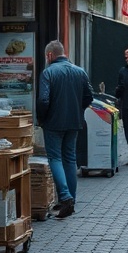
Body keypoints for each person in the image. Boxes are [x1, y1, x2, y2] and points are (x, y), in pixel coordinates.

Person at [36, 40, 92, 219]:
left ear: (50, 55)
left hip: (53, 122)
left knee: (55, 157)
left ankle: (65, 197)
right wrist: (78, 109)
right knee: (70, 158)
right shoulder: (79, 71)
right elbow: (89, 96)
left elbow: (44, 100)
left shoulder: (48, 73)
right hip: (74, 122)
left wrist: (42, 117)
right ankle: (71, 200)